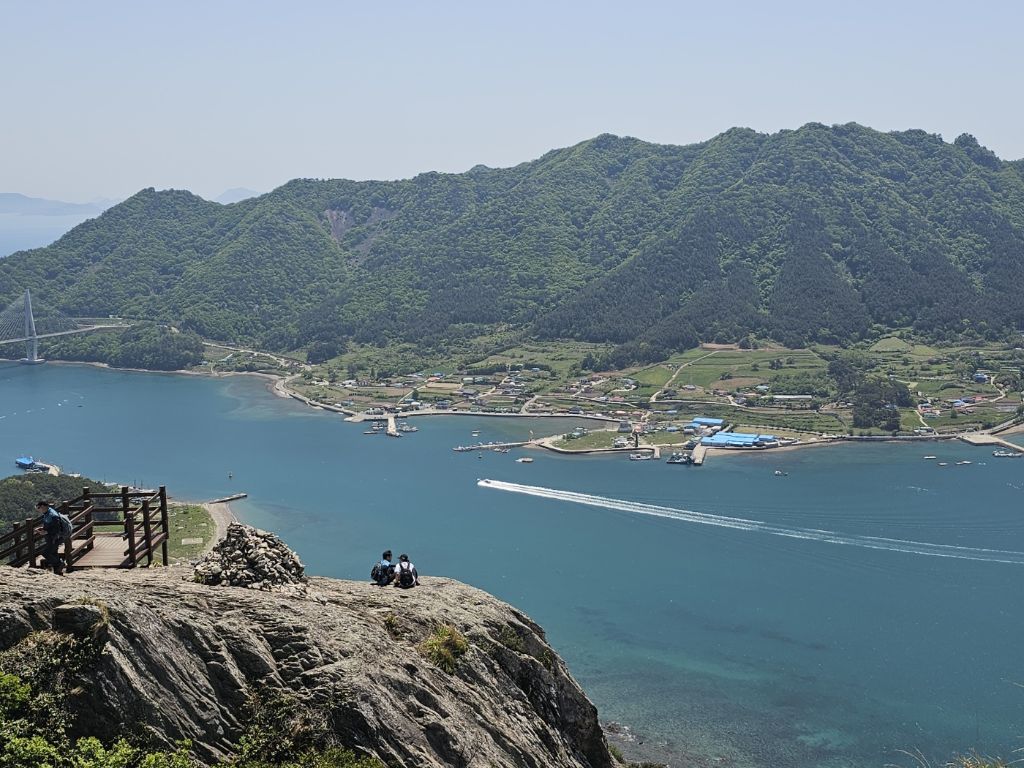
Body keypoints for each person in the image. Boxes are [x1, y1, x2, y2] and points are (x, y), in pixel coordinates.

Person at [37, 500, 66, 576]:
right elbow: (50, 525)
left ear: (43, 506)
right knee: (53, 553)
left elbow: (57, 529)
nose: (38, 510)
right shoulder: (47, 513)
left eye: (38, 508)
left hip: (55, 538)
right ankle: (58, 572)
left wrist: (46, 532)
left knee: (46, 553)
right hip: (52, 538)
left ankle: (60, 564)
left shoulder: (53, 515)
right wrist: (42, 528)